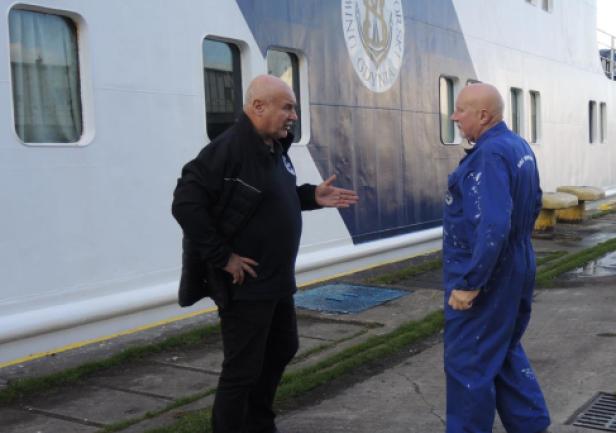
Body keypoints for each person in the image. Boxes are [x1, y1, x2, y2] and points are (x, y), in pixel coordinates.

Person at [172, 74, 358, 433]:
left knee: (282, 348)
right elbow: (185, 203)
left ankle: (258, 423)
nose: (293, 116)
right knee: (241, 371)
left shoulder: (272, 147)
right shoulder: (229, 149)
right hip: (248, 284)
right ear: (258, 107)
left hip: (275, 280)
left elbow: (272, 196)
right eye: (287, 108)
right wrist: (223, 257)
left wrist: (311, 196)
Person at [442, 83, 551, 433]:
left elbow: (492, 225)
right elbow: (534, 202)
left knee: (468, 362)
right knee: (502, 351)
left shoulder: (488, 155)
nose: (454, 116)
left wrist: (471, 283)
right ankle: (531, 425)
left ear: (484, 115)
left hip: (490, 274)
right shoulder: (518, 146)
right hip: (517, 262)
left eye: (461, 110)